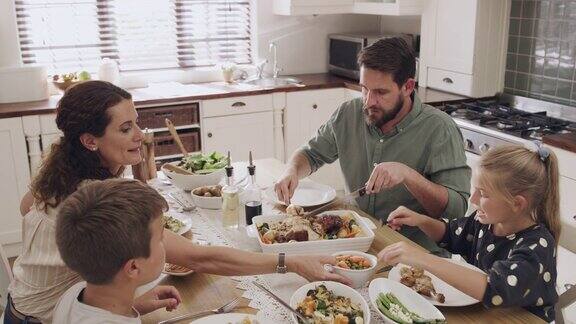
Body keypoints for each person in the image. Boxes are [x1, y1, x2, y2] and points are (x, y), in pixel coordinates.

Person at [6, 81, 347, 323]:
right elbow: (202, 257)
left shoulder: (61, 170)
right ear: (89, 140)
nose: (140, 135)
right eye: (125, 129)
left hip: (36, 303)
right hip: (42, 317)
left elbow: (26, 208)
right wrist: (293, 263)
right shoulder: (89, 194)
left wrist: (131, 304)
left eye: (136, 123)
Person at [275, 37, 471, 252]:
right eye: (364, 89)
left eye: (380, 92)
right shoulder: (349, 112)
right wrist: (292, 171)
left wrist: (408, 175)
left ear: (408, 86)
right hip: (357, 239)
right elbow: (311, 154)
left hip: (415, 252)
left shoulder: (440, 129)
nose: (368, 101)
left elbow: (456, 210)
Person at [380, 145, 560, 321]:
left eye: (483, 194)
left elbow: (496, 288)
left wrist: (422, 258)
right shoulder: (485, 221)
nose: (473, 200)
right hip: (482, 315)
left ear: (517, 204)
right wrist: (420, 220)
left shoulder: (538, 245)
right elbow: (450, 235)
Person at [52, 179, 181, 323]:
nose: (164, 241)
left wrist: (133, 306)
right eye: (160, 238)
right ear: (133, 267)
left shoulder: (74, 294)